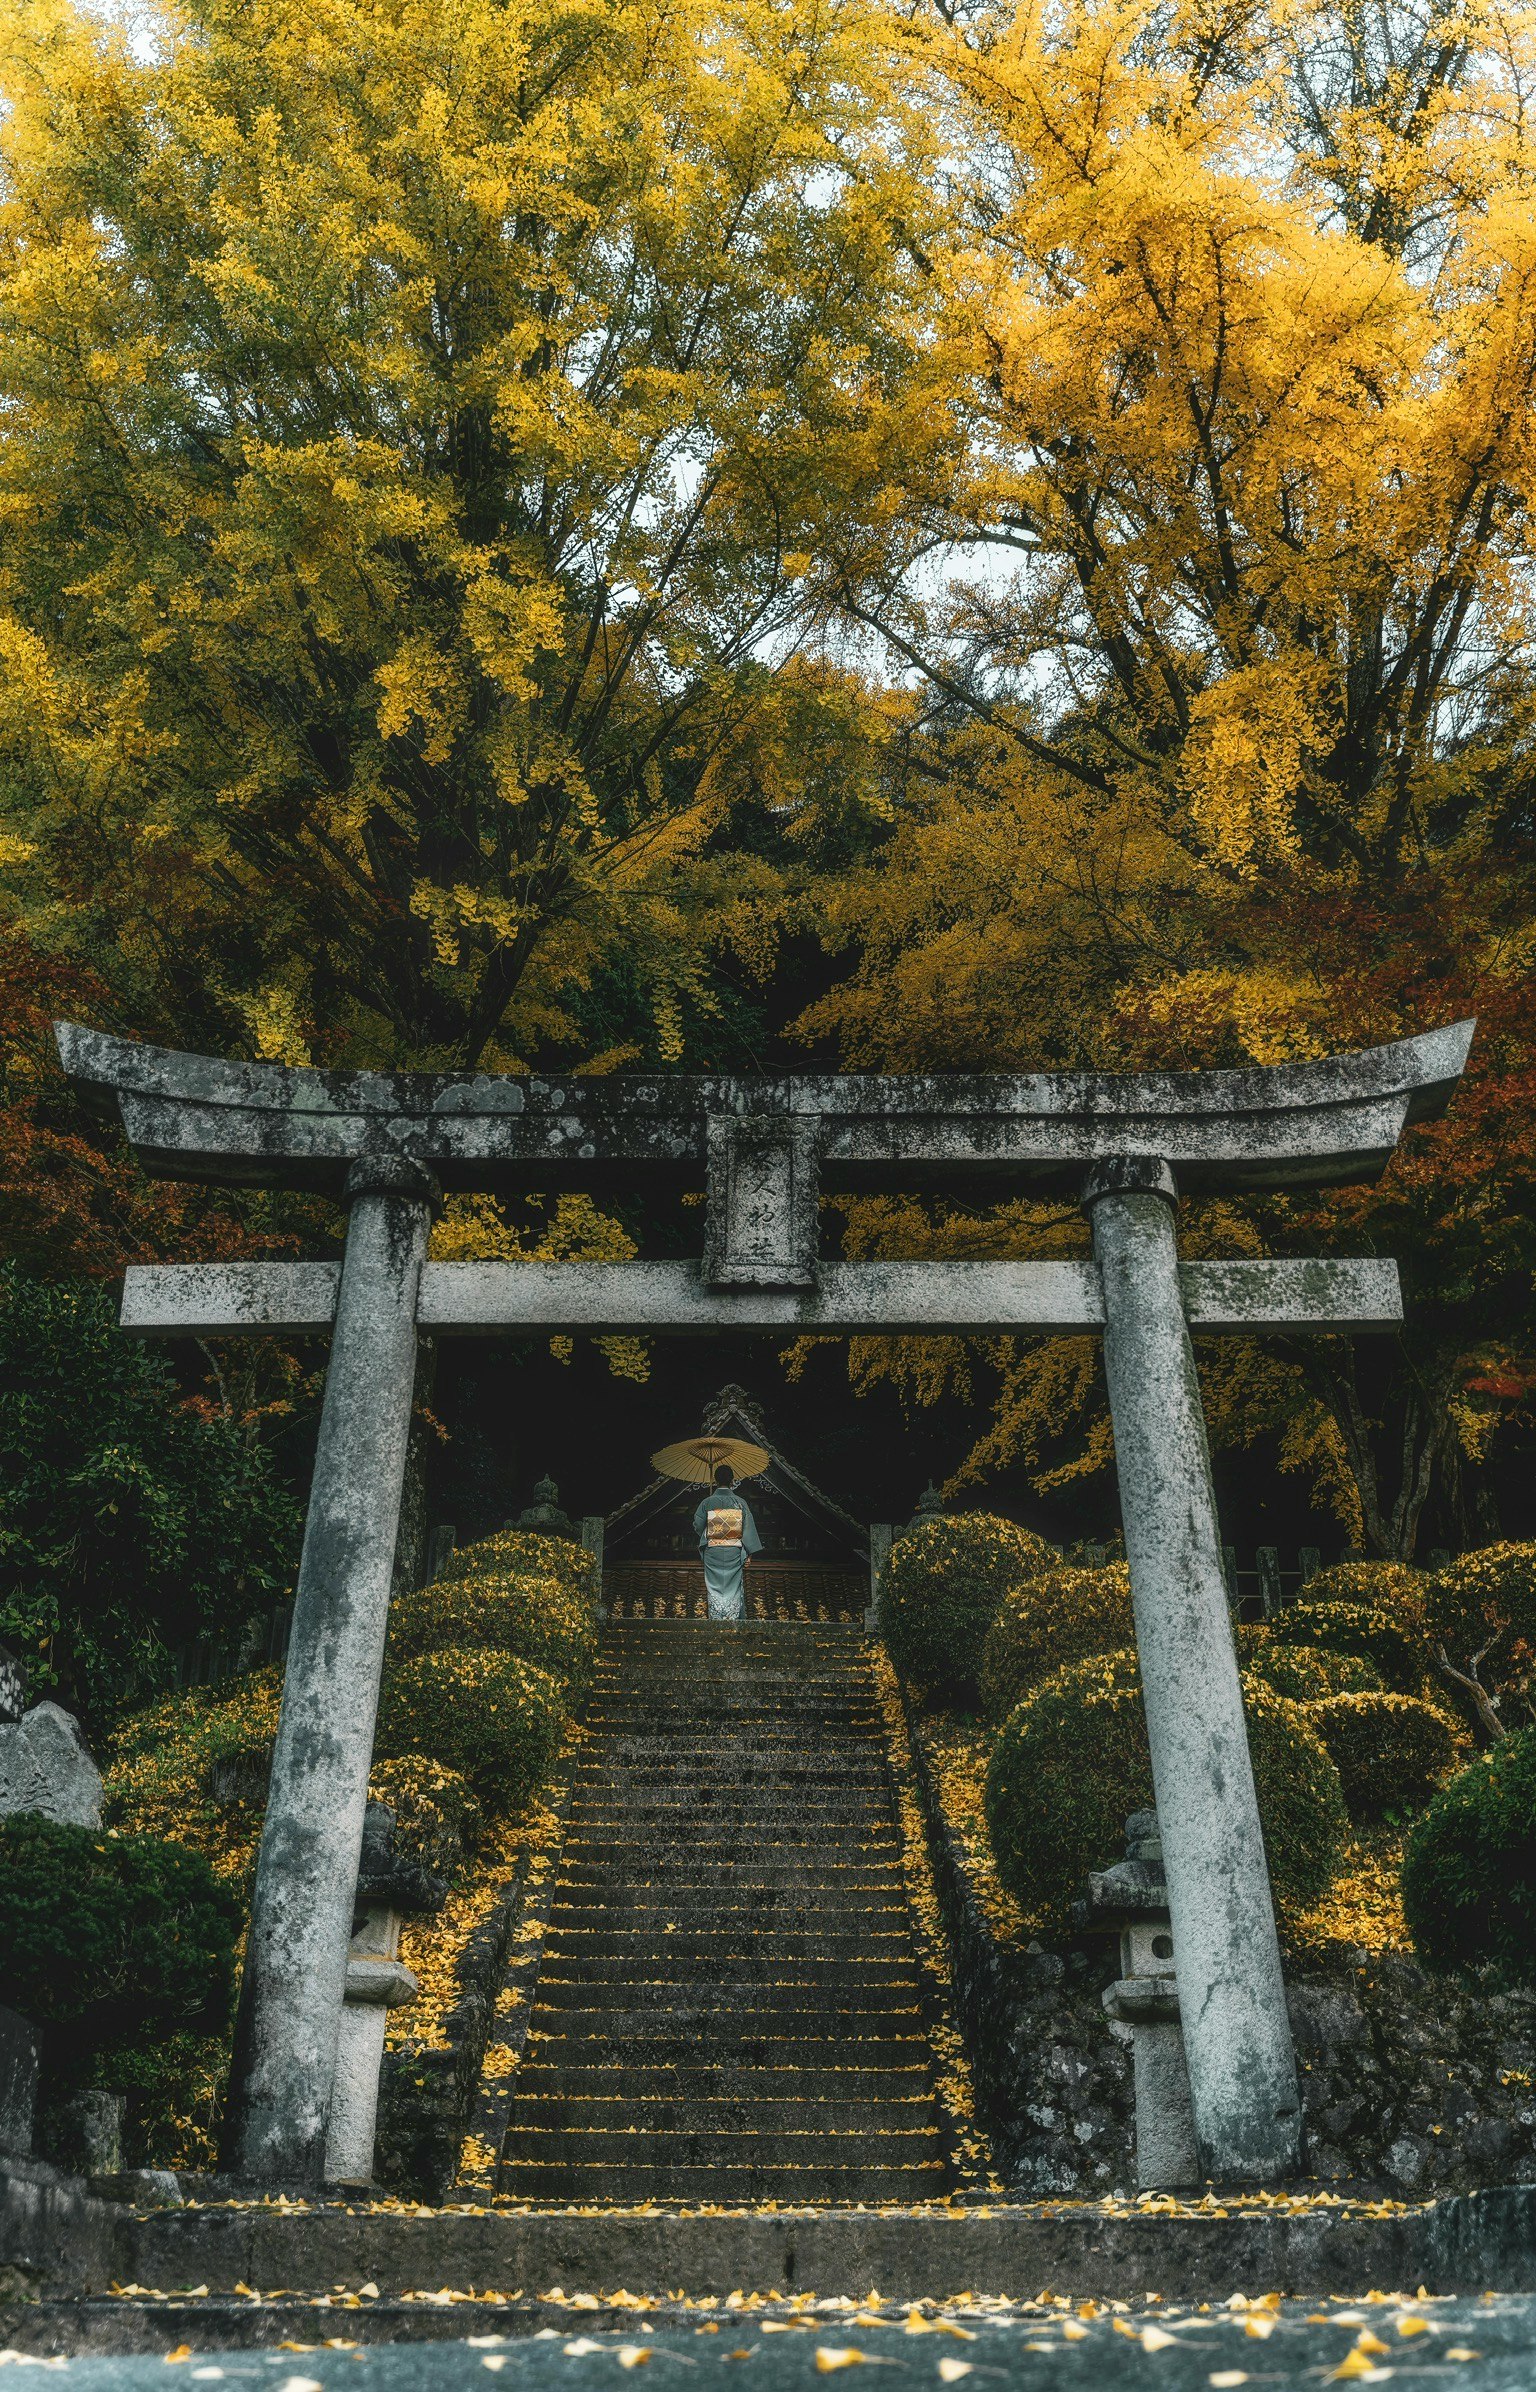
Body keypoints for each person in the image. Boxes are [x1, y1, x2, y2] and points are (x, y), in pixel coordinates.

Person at [693, 1462, 762, 1622]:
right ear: (732, 1480)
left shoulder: (707, 1502)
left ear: (715, 1480)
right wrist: (749, 1553)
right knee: (733, 1586)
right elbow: (748, 1529)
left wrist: (712, 1525)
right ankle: (731, 1619)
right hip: (734, 1551)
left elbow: (697, 1525)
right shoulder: (740, 1502)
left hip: (713, 1552)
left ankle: (717, 1619)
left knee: (714, 1587)